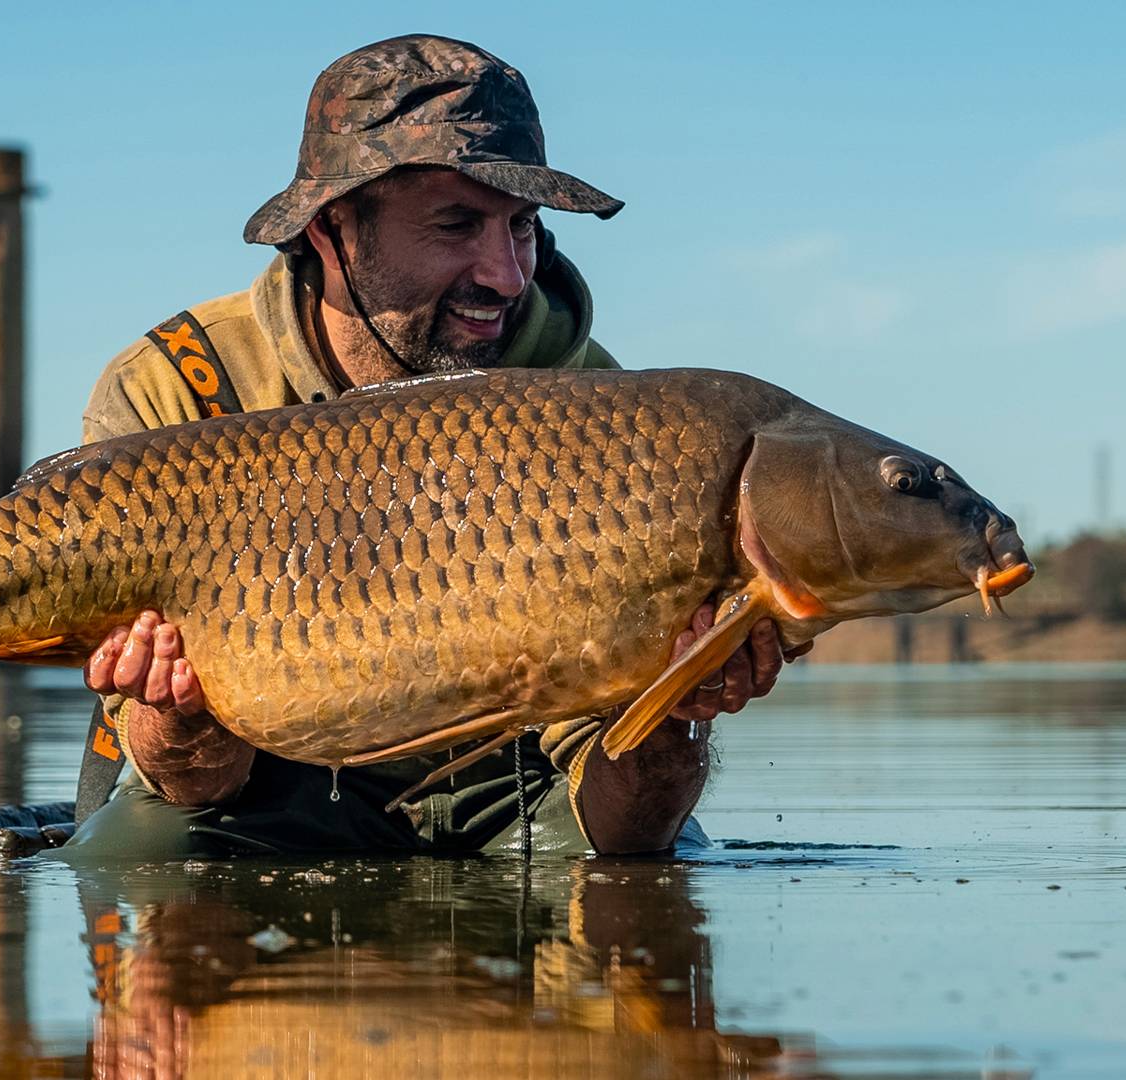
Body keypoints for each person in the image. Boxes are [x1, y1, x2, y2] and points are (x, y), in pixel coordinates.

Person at [59, 35, 802, 861]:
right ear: (333, 228)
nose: (508, 275)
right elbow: (192, 783)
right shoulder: (180, 392)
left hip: (509, 777)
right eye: (457, 225)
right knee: (133, 860)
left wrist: (675, 713)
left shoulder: (599, 412)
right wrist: (175, 709)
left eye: (522, 226)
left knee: (641, 866)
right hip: (255, 771)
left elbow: (626, 824)